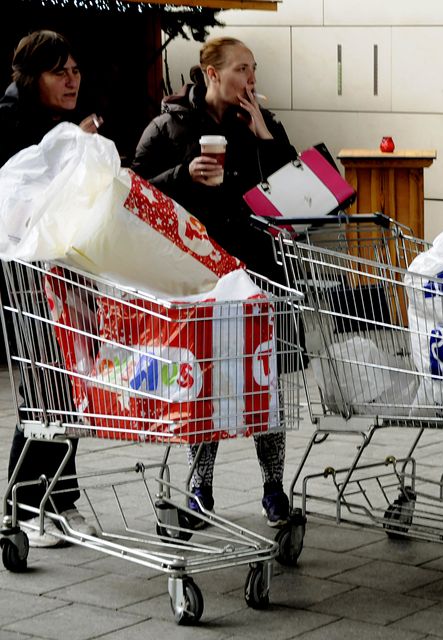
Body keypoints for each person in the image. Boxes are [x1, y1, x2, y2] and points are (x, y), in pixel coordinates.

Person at [132, 36, 296, 528]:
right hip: (200, 272)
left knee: (264, 383)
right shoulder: (167, 125)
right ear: (211, 74)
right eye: (241, 68)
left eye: (253, 68)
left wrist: (266, 135)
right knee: (205, 382)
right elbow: (137, 195)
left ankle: (274, 487)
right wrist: (184, 172)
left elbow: (293, 191)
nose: (250, 79)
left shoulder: (261, 126)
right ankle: (200, 486)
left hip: (257, 270)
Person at [1, 30, 102, 547]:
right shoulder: (14, 123)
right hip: (27, 279)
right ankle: (24, 505)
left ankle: (58, 498)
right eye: (59, 71)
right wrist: (69, 151)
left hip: (65, 275)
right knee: (44, 390)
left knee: (69, 389)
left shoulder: (61, 126)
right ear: (32, 76)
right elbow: (23, 199)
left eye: (75, 70)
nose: (71, 79)